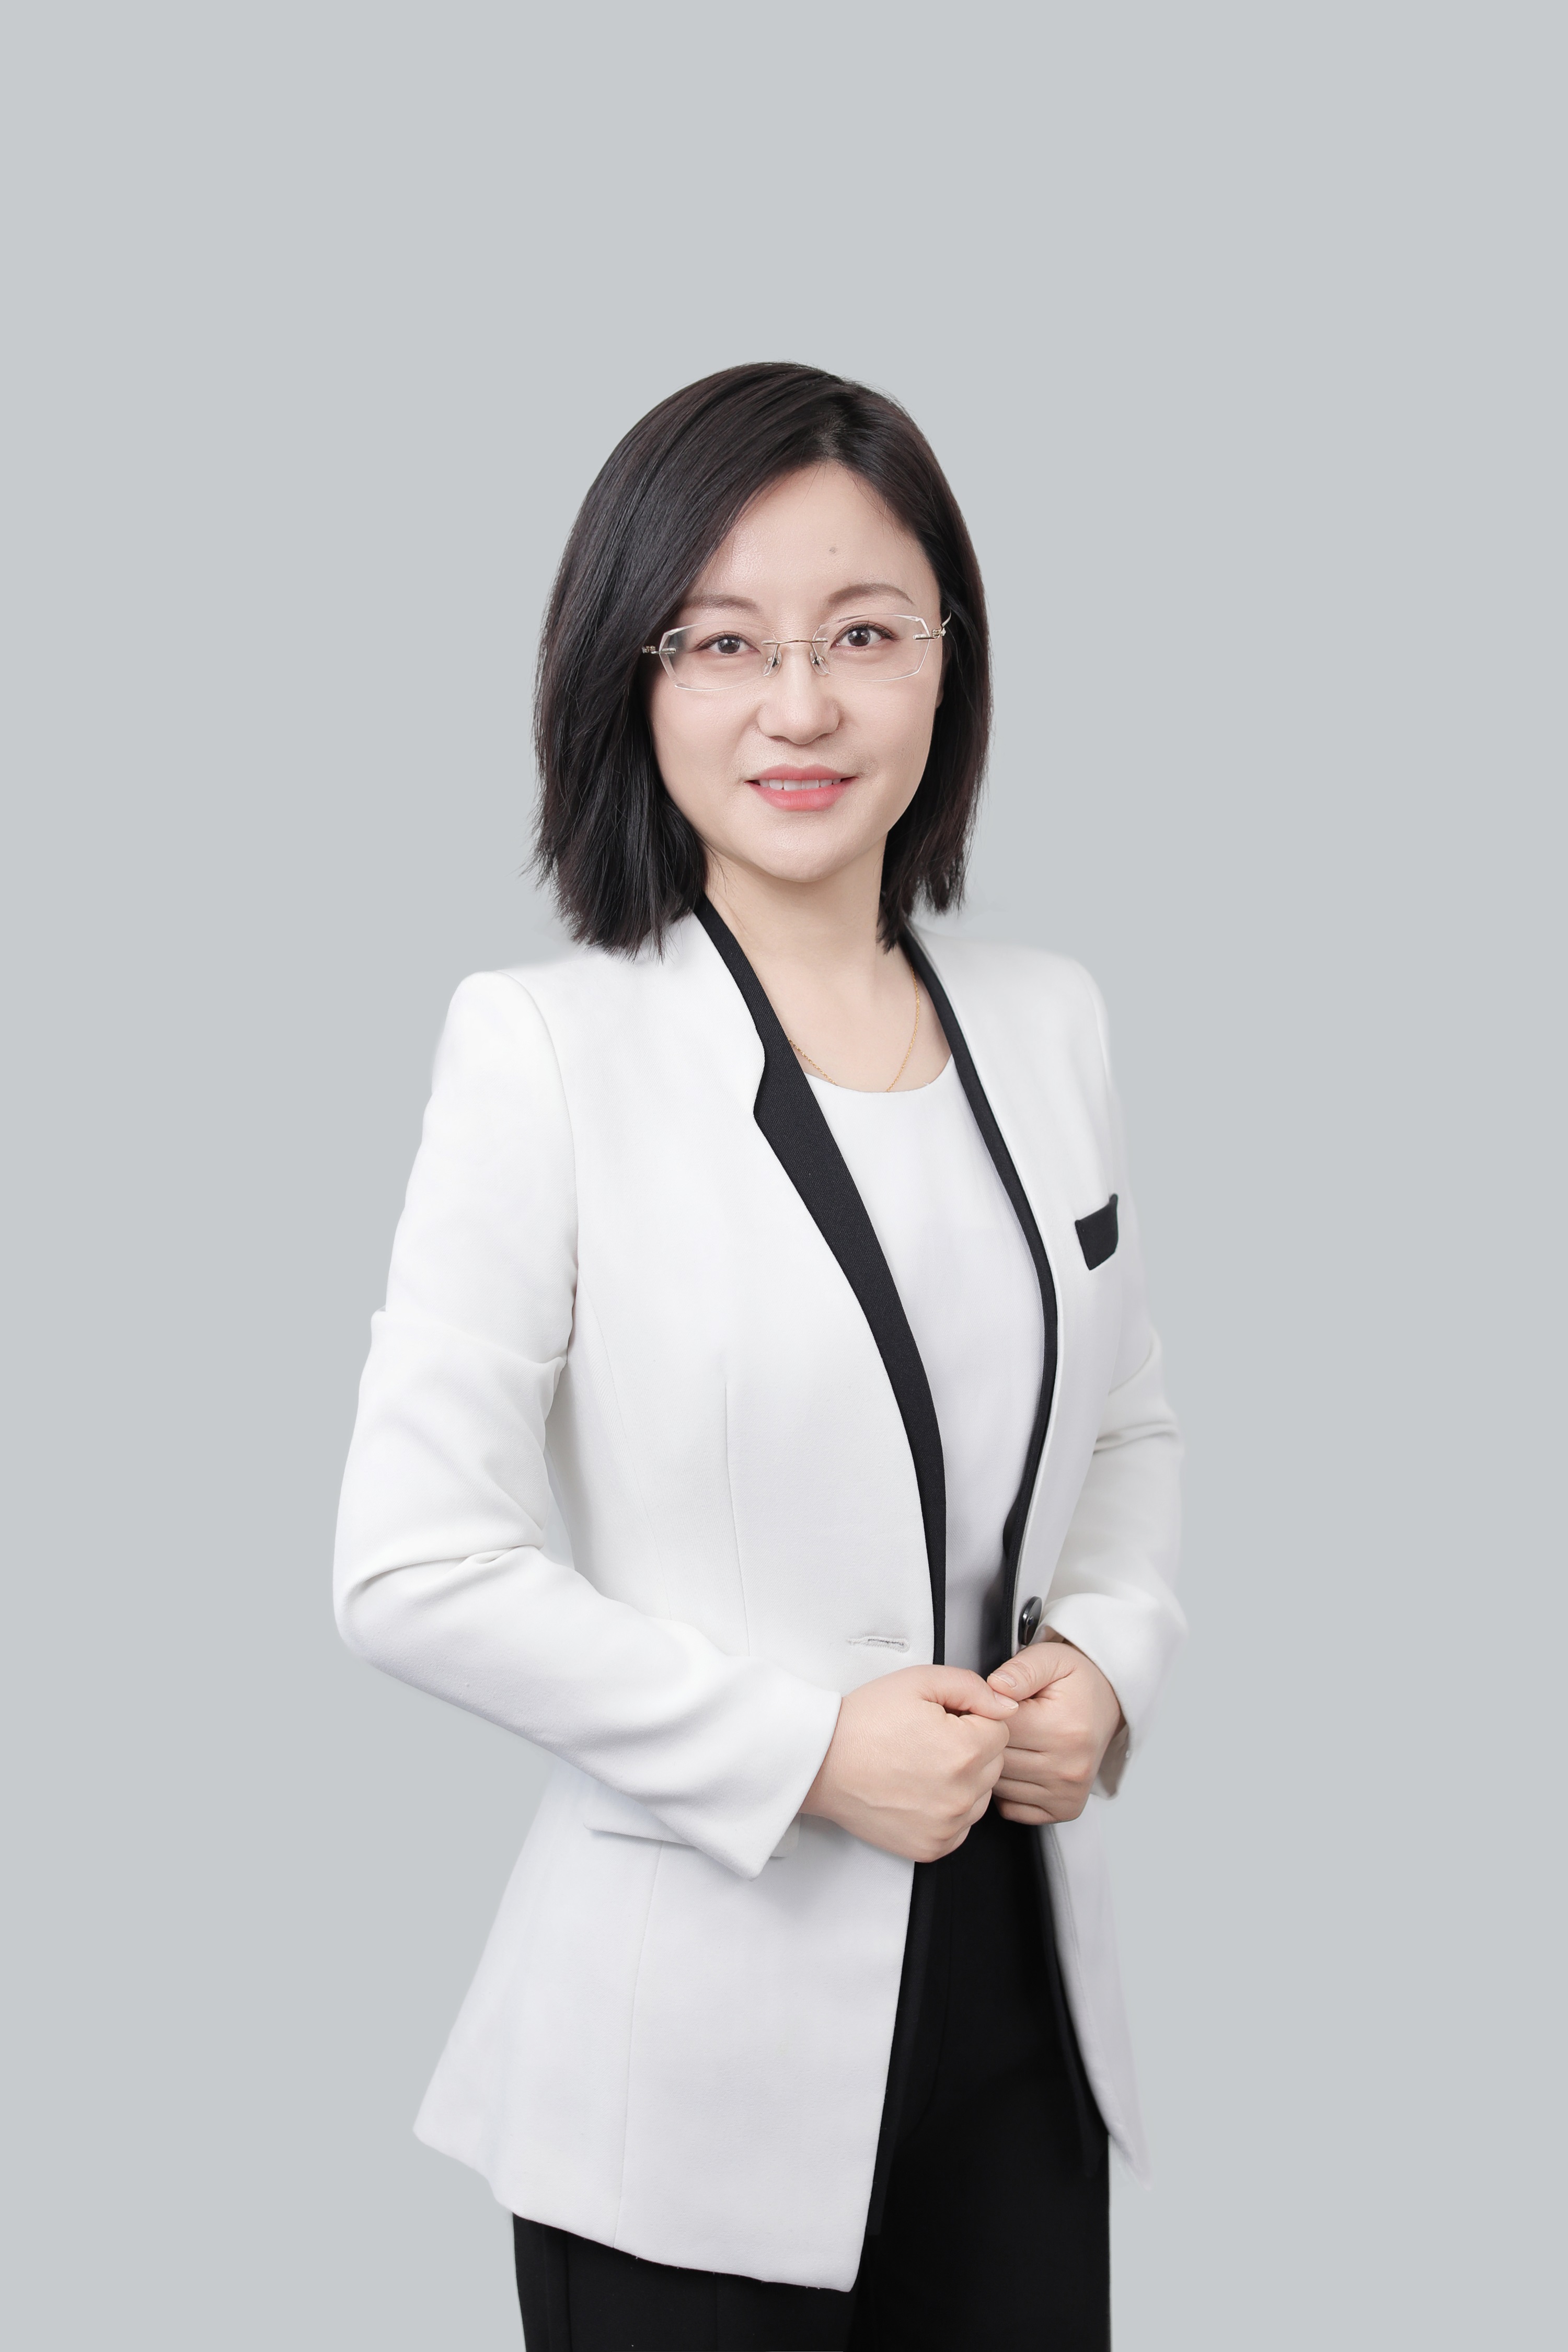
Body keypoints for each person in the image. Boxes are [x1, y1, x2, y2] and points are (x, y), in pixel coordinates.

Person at [333, 361, 1184, 2351]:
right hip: (685, 2070)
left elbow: (1129, 1421)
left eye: (865, 635)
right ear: (630, 677)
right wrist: (803, 1750)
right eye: (725, 643)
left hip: (1025, 2022)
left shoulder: (1050, 1018)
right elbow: (410, 1565)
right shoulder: (544, 1050)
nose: (801, 705)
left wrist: (1110, 1665)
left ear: (949, 663)